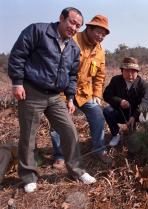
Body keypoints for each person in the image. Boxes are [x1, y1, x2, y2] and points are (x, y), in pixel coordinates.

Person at [7, 7, 96, 193]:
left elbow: (72, 75)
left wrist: (70, 98)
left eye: (78, 26)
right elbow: (18, 55)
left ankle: (77, 170)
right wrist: (17, 82)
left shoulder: (73, 47)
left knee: (69, 130)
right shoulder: (38, 31)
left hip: (55, 96)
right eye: (72, 22)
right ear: (61, 18)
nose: (74, 28)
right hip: (32, 91)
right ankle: (29, 176)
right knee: (29, 135)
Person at [50, 15, 110, 168]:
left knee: (97, 114)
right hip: (63, 90)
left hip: (84, 92)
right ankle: (60, 155)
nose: (101, 37)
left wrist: (97, 94)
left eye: (104, 34)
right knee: (58, 120)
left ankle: (99, 149)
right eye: (98, 32)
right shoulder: (72, 40)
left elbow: (100, 75)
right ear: (88, 28)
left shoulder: (100, 51)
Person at [103, 57, 147, 147]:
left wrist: (134, 116)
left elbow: (145, 103)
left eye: (133, 71)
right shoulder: (116, 80)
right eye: (127, 71)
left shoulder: (142, 84)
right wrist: (120, 101)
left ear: (137, 72)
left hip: (137, 114)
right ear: (122, 71)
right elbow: (106, 95)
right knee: (107, 111)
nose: (130, 74)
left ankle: (146, 136)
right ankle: (116, 134)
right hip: (120, 113)